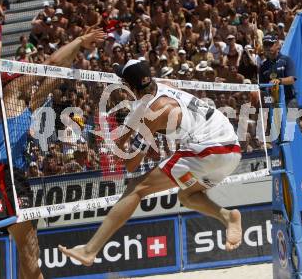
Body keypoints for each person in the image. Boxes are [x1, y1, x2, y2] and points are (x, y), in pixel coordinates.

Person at [59, 59, 243, 266]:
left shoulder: (155, 111)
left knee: (136, 188)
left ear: (129, 87)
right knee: (188, 195)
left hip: (208, 149)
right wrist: (119, 140)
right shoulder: (162, 86)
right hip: (231, 152)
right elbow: (137, 118)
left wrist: (117, 147)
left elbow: (131, 165)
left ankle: (89, 250)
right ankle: (229, 217)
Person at [0, 28, 105, 279]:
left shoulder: (26, 105)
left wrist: (78, 49)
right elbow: (49, 64)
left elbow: (54, 74)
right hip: (4, 175)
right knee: (28, 248)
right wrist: (79, 39)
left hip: (16, 177)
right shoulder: (10, 97)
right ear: (15, 80)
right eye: (25, 73)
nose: (31, 76)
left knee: (30, 248)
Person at [258, 35, 297, 107]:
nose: (268, 47)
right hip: (273, 102)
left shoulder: (286, 60)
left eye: (270, 44)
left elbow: (292, 79)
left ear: (276, 45)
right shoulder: (263, 66)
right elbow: (262, 87)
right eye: (265, 45)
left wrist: (279, 81)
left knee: (293, 118)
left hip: (290, 100)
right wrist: (267, 102)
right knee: (274, 118)